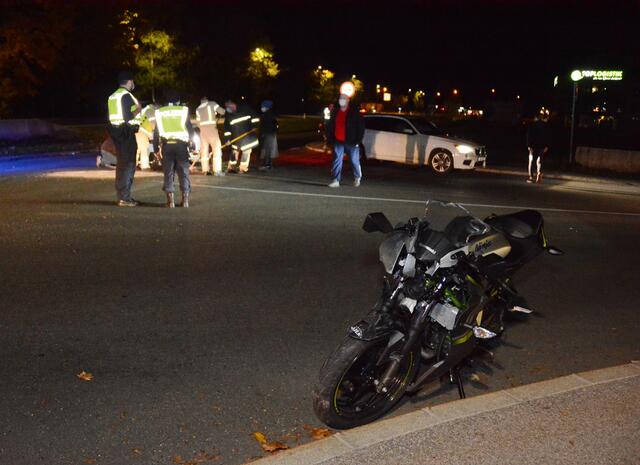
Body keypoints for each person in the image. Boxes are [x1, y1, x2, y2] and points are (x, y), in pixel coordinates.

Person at [153, 91, 195, 208]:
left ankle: (170, 201)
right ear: (178, 101)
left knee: (168, 173)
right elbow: (190, 129)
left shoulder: (160, 112)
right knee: (183, 172)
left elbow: (156, 132)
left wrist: (156, 147)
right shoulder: (183, 110)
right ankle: (185, 200)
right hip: (181, 146)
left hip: (167, 146)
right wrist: (193, 145)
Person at [107, 71, 142, 206]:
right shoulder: (126, 96)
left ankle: (123, 196)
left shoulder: (113, 96)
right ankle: (124, 198)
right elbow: (128, 116)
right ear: (129, 82)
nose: (133, 84)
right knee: (128, 164)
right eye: (132, 81)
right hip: (126, 133)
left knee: (122, 164)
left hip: (117, 132)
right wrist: (138, 110)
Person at [325, 92, 364, 187]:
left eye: (344, 98)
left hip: (351, 141)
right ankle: (336, 180)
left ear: (348, 100)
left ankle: (357, 177)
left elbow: (361, 126)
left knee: (354, 161)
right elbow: (330, 126)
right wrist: (329, 139)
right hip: (338, 140)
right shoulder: (335, 112)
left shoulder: (354, 112)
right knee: (337, 160)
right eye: (340, 98)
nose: (342, 100)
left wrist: (358, 140)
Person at [223, 100, 259, 173]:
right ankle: (231, 168)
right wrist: (227, 139)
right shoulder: (229, 115)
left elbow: (255, 118)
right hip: (236, 138)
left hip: (247, 137)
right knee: (234, 153)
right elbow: (227, 129)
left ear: (233, 105)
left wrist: (255, 126)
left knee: (246, 152)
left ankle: (242, 168)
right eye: (226, 107)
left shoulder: (246, 109)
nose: (227, 109)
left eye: (228, 107)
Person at [195, 97, 225, 176]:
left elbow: (198, 123)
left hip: (202, 132)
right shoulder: (212, 104)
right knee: (216, 149)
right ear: (207, 100)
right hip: (212, 130)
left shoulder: (198, 109)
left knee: (204, 151)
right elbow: (222, 111)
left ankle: (205, 170)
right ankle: (217, 170)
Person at [526, 109, 550, 183]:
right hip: (541, 146)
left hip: (533, 146)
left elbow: (529, 136)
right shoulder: (545, 125)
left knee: (531, 161)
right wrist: (547, 146)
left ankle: (531, 177)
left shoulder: (532, 125)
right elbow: (548, 136)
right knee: (539, 161)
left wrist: (529, 146)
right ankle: (538, 175)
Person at [135, 103, 157, 170]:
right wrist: (155, 135)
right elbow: (153, 125)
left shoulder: (146, 110)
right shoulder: (151, 111)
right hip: (142, 132)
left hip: (139, 131)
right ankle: (145, 166)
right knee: (144, 149)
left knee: (137, 150)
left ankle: (132, 165)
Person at [258, 100, 278, 170]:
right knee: (269, 149)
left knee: (267, 150)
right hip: (270, 134)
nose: (261, 107)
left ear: (266, 107)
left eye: (263, 106)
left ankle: (267, 164)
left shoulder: (267, 115)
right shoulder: (269, 114)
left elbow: (266, 126)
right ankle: (269, 164)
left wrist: (263, 133)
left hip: (268, 134)